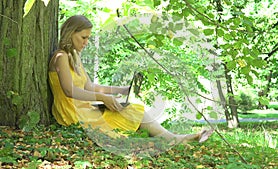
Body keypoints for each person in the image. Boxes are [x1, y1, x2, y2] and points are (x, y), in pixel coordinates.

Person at [48, 15, 213, 144]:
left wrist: (121, 90)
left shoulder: (74, 56)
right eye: (83, 37)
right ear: (71, 34)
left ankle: (175, 138)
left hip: (85, 110)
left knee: (132, 108)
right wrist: (102, 98)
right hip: (72, 114)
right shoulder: (61, 56)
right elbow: (69, 91)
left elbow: (89, 86)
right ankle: (177, 139)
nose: (86, 42)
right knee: (128, 111)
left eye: (88, 38)